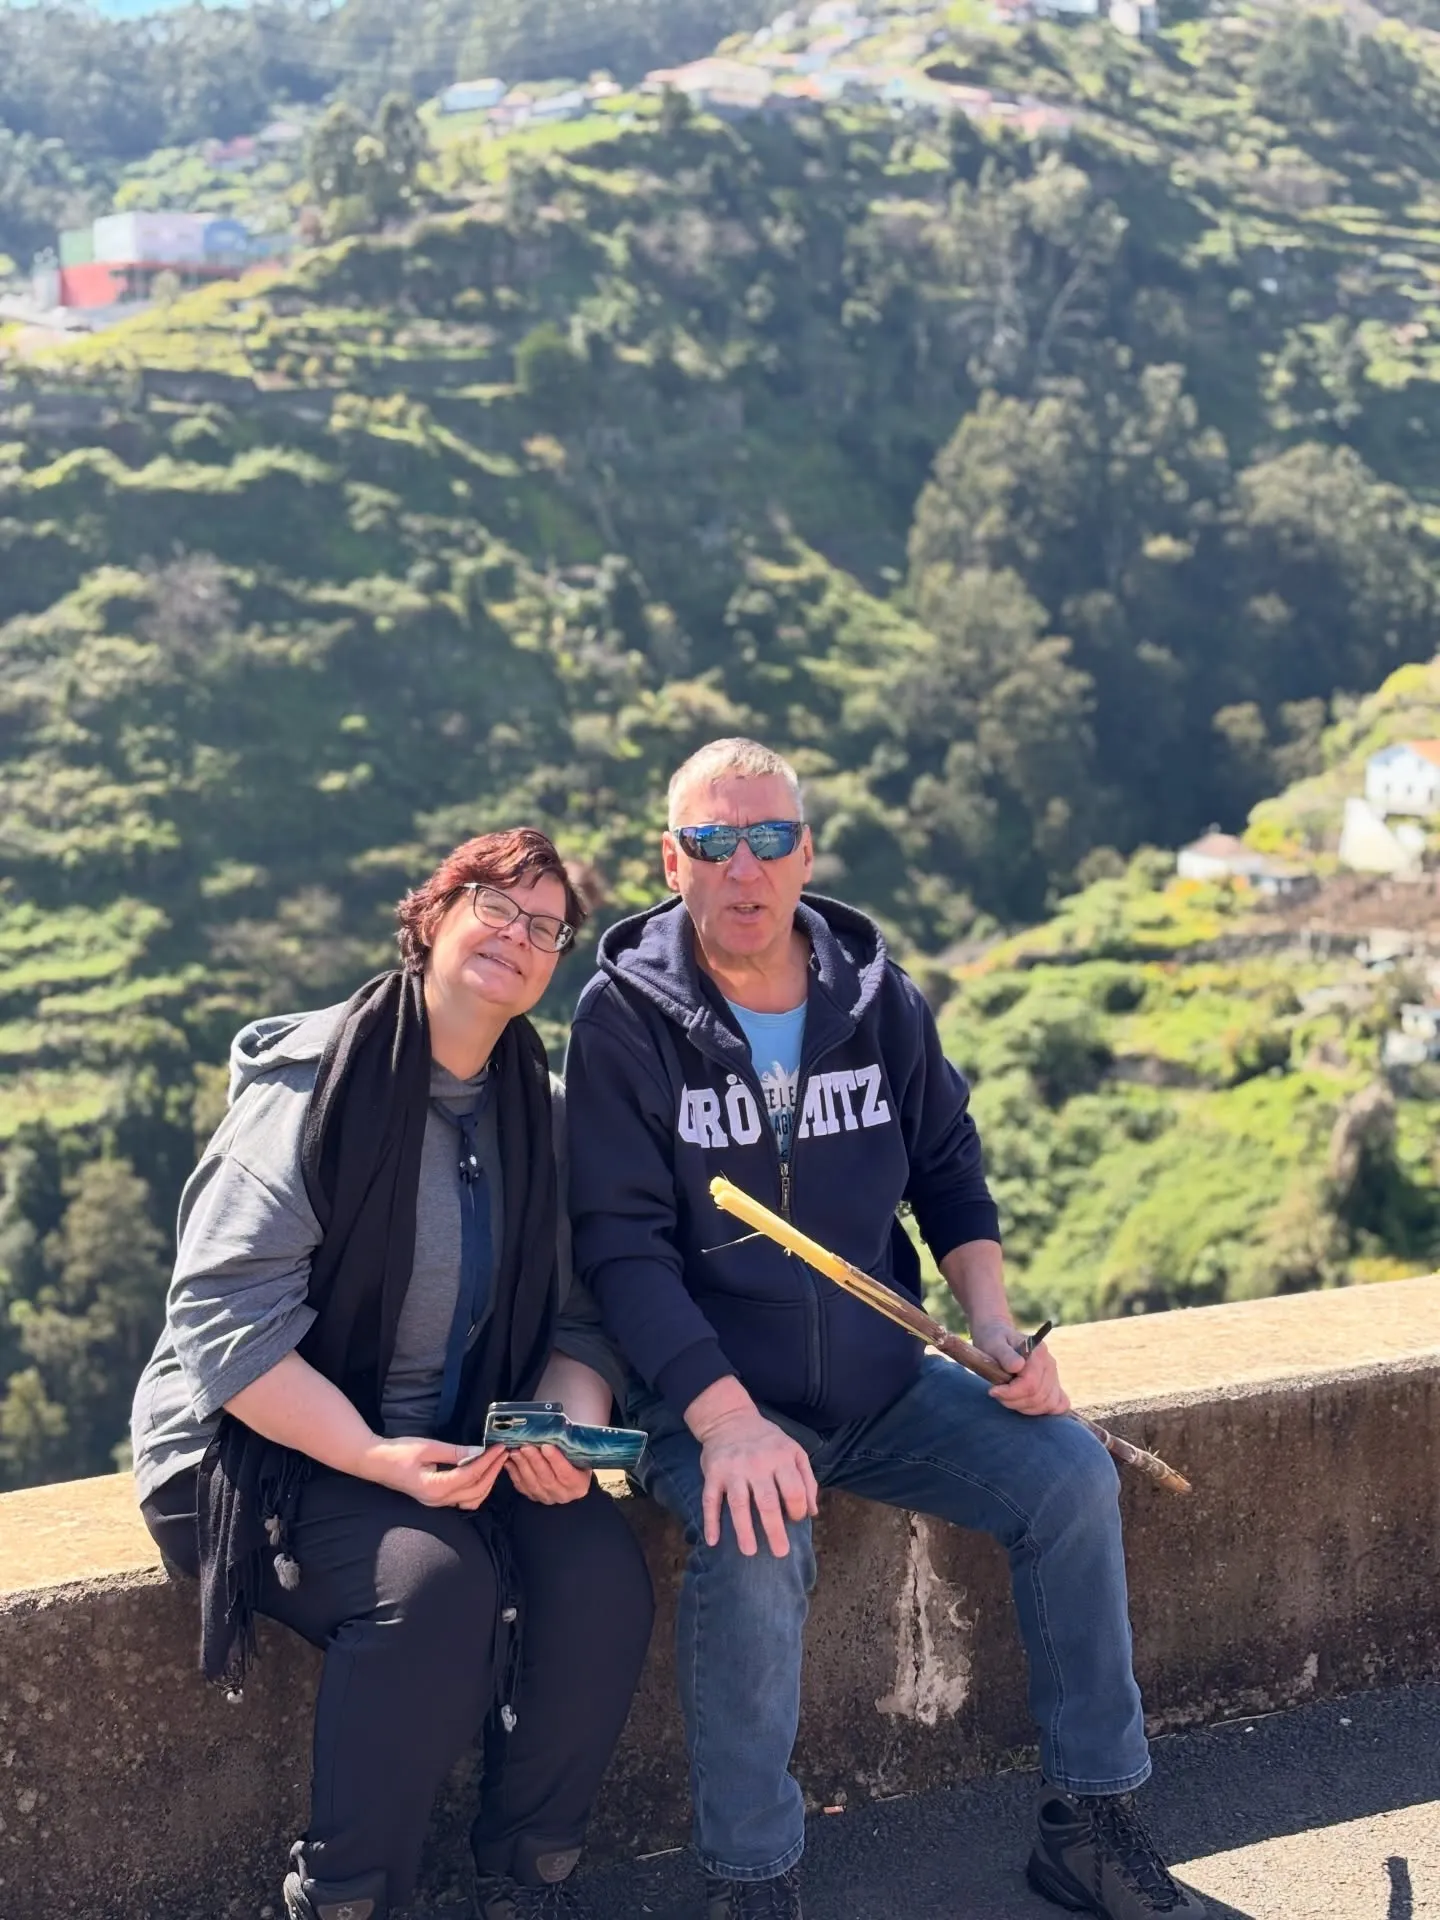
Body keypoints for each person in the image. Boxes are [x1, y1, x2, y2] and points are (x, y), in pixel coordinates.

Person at [564, 740, 1204, 1920]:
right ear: (671, 861)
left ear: (806, 853)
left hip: (885, 1378)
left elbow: (947, 1171)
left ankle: (1092, 1818)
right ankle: (752, 1881)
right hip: (709, 1394)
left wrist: (996, 1327)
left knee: (1068, 1475)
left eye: (768, 839)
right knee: (755, 1533)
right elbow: (621, 1249)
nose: (743, 868)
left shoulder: (875, 997)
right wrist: (727, 1422)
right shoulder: (623, 1019)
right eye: (713, 842)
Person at [132, 829, 654, 1920]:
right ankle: (347, 1895)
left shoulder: (541, 1115)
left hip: (453, 1440)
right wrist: (373, 1455)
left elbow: (579, 1312)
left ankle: (529, 1874)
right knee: (431, 1588)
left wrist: (566, 1427)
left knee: (597, 1576)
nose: (516, 936)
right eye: (494, 906)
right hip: (260, 1443)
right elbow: (222, 1319)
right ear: (434, 914)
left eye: (545, 926)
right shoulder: (316, 1084)